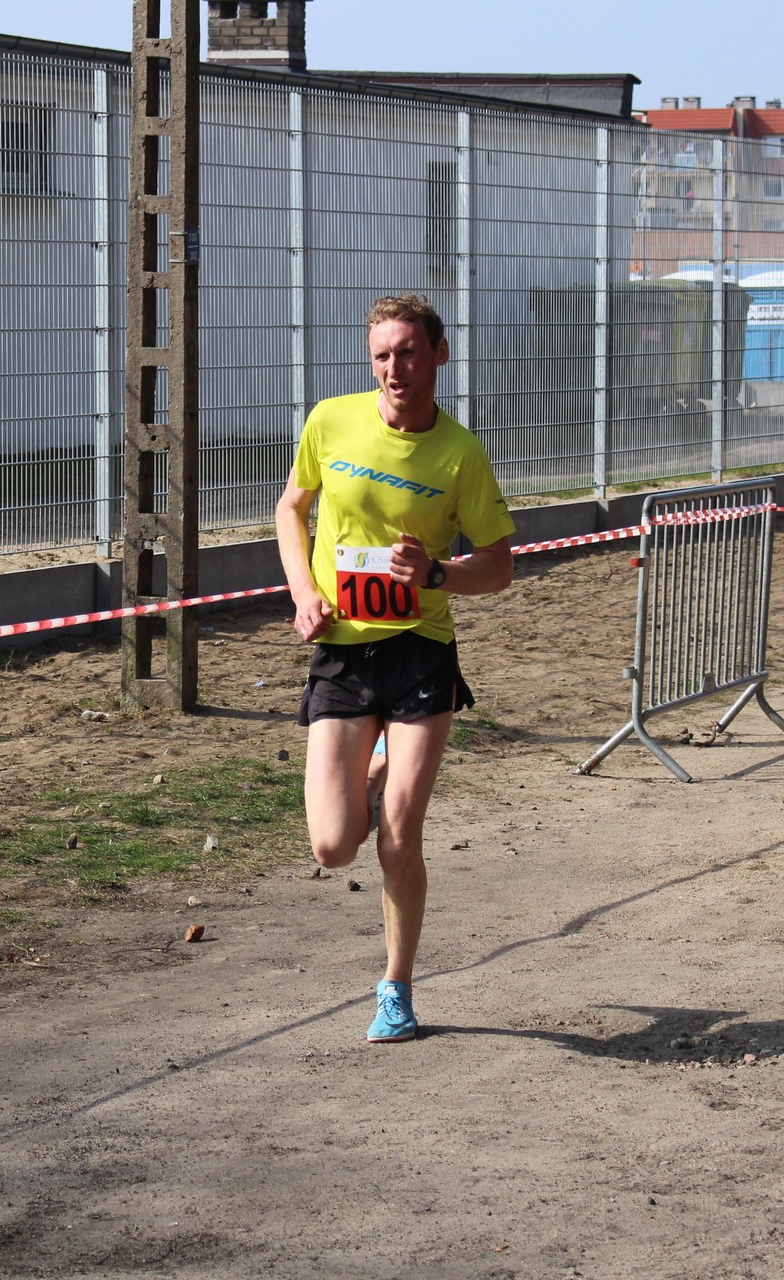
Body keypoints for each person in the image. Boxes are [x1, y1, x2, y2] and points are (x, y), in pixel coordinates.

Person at [275, 293, 516, 1043]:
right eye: (382, 355)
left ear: (438, 353)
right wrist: (304, 593)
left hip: (419, 650)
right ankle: (374, 768)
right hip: (343, 650)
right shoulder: (330, 420)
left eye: (408, 352)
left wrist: (437, 574)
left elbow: (500, 565)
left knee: (398, 839)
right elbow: (291, 508)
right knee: (332, 847)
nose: (394, 369)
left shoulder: (459, 453)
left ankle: (396, 990)